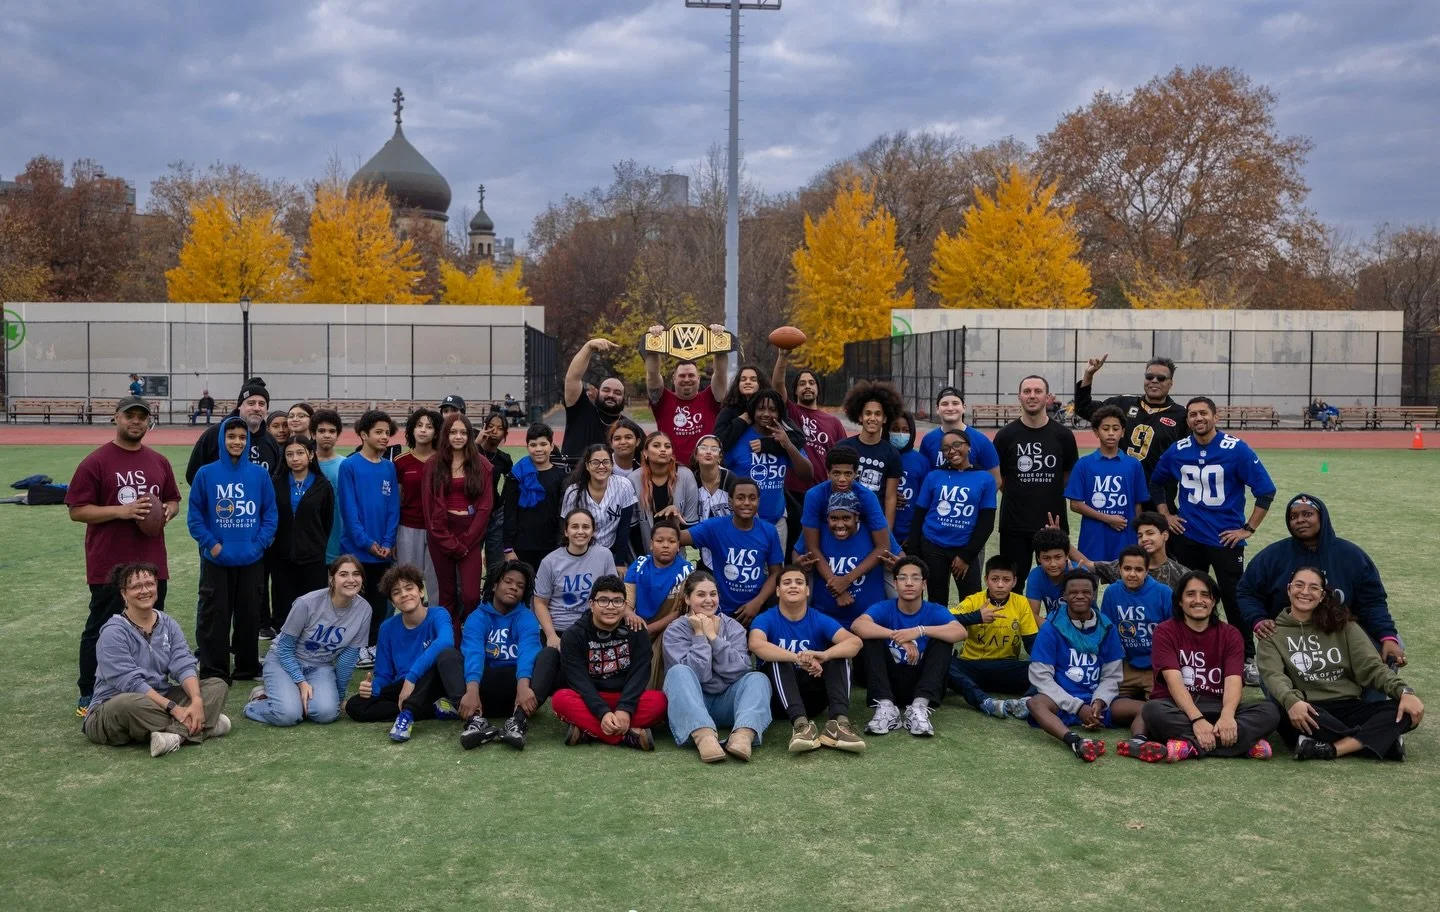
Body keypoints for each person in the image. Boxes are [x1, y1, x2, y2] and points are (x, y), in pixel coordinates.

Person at [67, 395, 182, 717]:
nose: (136, 421)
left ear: (149, 421)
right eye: (129, 416)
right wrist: (123, 510)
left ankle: (152, 684)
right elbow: (77, 510)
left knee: (153, 628)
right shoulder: (97, 461)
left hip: (151, 561)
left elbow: (173, 498)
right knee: (102, 628)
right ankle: (89, 690)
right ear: (116, 418)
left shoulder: (158, 461)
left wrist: (167, 511)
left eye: (141, 417)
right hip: (110, 564)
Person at [1149, 396, 1276, 680]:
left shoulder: (1236, 449)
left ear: (1215, 417)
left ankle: (1247, 658)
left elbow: (1265, 491)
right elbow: (1156, 483)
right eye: (1193, 414)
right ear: (1188, 420)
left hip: (1225, 539)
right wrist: (1167, 516)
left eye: (1203, 413)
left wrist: (1248, 529)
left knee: (1234, 598)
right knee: (1185, 596)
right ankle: (1187, 652)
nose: (1198, 418)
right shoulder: (1178, 450)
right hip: (1188, 536)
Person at [1256, 567, 1423, 761]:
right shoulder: (1272, 633)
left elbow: (1373, 667)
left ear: (1321, 595)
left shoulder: (1344, 626)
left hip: (1349, 706)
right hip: (1308, 708)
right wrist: (1292, 701)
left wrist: (1404, 691)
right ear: (1288, 590)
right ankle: (1378, 740)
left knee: (1405, 711)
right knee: (1282, 714)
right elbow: (1274, 676)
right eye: (1299, 585)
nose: (1305, 592)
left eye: (1313, 587)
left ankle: (1329, 749)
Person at [1120, 571, 1281, 762]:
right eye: (1190, 594)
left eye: (1205, 595)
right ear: (1180, 601)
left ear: (1214, 602)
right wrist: (1197, 720)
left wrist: (1228, 716)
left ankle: (1189, 746)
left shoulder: (1230, 634)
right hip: (1179, 707)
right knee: (1152, 711)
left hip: (1219, 705)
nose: (1198, 600)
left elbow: (1233, 680)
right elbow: (1174, 683)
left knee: (1269, 711)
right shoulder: (1165, 632)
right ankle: (1242, 745)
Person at [83, 562, 230, 757]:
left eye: (149, 584)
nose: (144, 591)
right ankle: (205, 725)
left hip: (160, 698)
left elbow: (183, 664)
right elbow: (131, 684)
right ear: (123, 594)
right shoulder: (113, 633)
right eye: (136, 587)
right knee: (127, 703)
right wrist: (174, 709)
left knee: (217, 686)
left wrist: (195, 700)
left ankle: (175, 736)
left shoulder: (168, 623)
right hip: (115, 708)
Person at [1238, 493, 1404, 666]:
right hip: (1291, 638)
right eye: (1293, 517)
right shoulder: (1272, 557)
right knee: (1275, 683)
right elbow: (1247, 592)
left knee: (1392, 643)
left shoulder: (1352, 556)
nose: (1299, 520)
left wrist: (1387, 636)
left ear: (1322, 517)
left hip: (1341, 635)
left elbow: (1372, 602)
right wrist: (1258, 619)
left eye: (1307, 514)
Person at [187, 415, 278, 682]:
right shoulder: (206, 473)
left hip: (251, 558)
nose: (237, 442)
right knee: (214, 615)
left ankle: (247, 667)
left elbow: (270, 514)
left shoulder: (259, 474)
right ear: (222, 439)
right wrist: (213, 546)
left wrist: (259, 545)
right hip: (217, 559)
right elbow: (195, 517)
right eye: (231, 437)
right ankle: (214, 669)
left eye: (241, 437)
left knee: (249, 616)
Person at [1024, 569, 1138, 762]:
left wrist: (1099, 701)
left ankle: (1138, 742)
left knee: (1146, 709)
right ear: (1064, 596)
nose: (1080, 596)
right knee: (1035, 703)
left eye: (1086, 592)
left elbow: (1112, 675)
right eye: (1073, 592)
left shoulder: (1107, 626)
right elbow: (1040, 676)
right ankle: (1075, 741)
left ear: (1094, 595)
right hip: (1062, 702)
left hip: (1098, 702)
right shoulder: (1051, 627)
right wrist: (1077, 707)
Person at [749, 566, 865, 753]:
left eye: (799, 582)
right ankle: (801, 727)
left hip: (814, 697)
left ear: (807, 590)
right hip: (778, 701)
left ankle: (839, 724)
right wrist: (796, 658)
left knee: (839, 654)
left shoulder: (818, 618)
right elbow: (756, 644)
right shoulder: (766, 618)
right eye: (787, 583)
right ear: (778, 591)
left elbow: (855, 642)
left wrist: (824, 655)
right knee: (778, 659)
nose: (793, 586)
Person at [244, 556, 371, 727]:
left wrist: (338, 698)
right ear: (332, 579)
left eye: (356, 574)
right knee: (288, 715)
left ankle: (288, 696)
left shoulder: (364, 610)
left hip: (320, 666)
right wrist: (301, 682)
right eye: (343, 574)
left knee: (326, 713)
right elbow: (284, 648)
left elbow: (347, 659)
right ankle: (259, 702)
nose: (351, 580)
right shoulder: (307, 603)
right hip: (284, 661)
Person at [343, 564, 464, 742]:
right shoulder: (387, 628)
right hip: (403, 688)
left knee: (441, 657)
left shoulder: (438, 614)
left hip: (432, 682)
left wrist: (412, 677)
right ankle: (431, 710)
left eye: (409, 588)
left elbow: (446, 642)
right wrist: (372, 689)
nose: (404, 594)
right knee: (355, 705)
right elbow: (384, 674)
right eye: (397, 592)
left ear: (421, 592)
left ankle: (408, 713)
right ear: (393, 602)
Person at [662, 571, 773, 762]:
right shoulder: (675, 630)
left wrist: (713, 638)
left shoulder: (733, 627)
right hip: (694, 704)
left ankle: (743, 735)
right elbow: (698, 676)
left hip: (727, 702)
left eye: (713, 594)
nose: (708, 600)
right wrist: (699, 635)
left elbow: (740, 670)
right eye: (701, 595)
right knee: (678, 672)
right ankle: (704, 737)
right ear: (687, 599)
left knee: (758, 679)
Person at [852, 556, 966, 736]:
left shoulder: (934, 610)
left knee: (943, 639)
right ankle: (886, 708)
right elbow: (858, 625)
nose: (909, 583)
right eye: (903, 578)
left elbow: (960, 632)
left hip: (920, 683)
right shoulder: (884, 607)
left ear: (924, 584)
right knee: (869, 637)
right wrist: (897, 636)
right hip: (889, 682)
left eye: (915, 578)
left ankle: (919, 709)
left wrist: (920, 631)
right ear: (895, 584)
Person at [553, 575, 668, 750]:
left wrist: (625, 708)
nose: (610, 607)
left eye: (617, 601)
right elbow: (579, 681)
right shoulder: (573, 635)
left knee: (660, 701)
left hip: (627, 697)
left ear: (625, 605)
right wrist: (602, 712)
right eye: (603, 601)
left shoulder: (637, 631)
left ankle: (587, 731)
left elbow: (640, 673)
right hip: (591, 699)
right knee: (560, 700)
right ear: (591, 604)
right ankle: (627, 736)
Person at [458, 561, 552, 750]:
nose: (513, 588)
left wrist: (524, 686)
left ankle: (517, 722)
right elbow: (474, 653)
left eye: (520, 586)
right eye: (508, 582)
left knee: (549, 654)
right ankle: (475, 721)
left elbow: (528, 652)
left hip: (519, 695)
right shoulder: (478, 617)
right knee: (448, 656)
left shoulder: (526, 618)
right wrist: (472, 691)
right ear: (494, 585)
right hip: (480, 694)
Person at [994, 375, 1079, 579]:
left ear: (1048, 397)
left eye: (1038, 391)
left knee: (1058, 583)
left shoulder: (1064, 436)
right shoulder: (1005, 436)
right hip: (1014, 526)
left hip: (1053, 525)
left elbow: (1068, 476)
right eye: (1027, 391)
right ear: (1019, 397)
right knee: (1012, 585)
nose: (1032, 396)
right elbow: (1000, 478)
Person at [906, 429, 998, 606]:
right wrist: (914, 550)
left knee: (971, 601)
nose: (952, 451)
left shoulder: (985, 479)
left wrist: (966, 555)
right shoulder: (934, 476)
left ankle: (967, 634)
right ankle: (937, 634)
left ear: (969, 447)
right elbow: (920, 514)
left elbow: (986, 523)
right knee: (936, 598)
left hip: (964, 547)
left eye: (957, 445)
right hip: (933, 546)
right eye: (946, 448)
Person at [1073, 354, 1188, 496]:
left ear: (1171, 383)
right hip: (1120, 491)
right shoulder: (1123, 404)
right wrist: (1089, 375)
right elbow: (1084, 408)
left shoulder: (1181, 415)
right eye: (1149, 377)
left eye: (1161, 378)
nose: (1154, 381)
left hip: (1159, 497)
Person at [338, 409, 401, 666]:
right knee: (354, 602)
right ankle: (352, 648)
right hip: (358, 550)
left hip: (383, 551)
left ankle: (372, 647)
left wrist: (387, 542)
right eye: (378, 432)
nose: (384, 437)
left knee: (379, 602)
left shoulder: (389, 467)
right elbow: (349, 512)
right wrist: (367, 543)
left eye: (387, 432)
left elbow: (393, 509)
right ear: (363, 434)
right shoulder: (349, 465)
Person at [422, 413, 494, 637]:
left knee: (471, 595)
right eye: (453, 432)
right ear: (445, 435)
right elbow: (429, 507)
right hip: (441, 534)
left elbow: (484, 507)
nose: (458, 436)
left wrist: (465, 542)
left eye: (463, 432)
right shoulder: (434, 464)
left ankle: (474, 638)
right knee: (447, 594)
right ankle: (450, 643)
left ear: (470, 436)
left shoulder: (481, 465)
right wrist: (446, 540)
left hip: (469, 534)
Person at [947, 555, 1038, 719]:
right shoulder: (974, 601)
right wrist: (977, 617)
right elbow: (943, 620)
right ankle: (985, 702)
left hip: (1006, 667)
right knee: (943, 663)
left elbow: (1032, 643)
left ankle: (1026, 702)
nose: (1000, 585)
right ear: (986, 580)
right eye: (995, 579)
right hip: (972, 667)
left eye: (1006, 579)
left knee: (1044, 668)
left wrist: (1044, 665)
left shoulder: (1021, 603)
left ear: (1014, 581)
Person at [773, 352, 847, 553]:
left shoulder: (833, 422)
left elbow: (842, 460)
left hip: (823, 492)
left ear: (817, 389)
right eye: (802, 383)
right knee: (793, 548)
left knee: (820, 546)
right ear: (795, 390)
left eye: (811, 382)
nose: (807, 386)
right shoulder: (792, 413)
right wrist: (783, 356)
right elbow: (778, 386)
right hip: (792, 491)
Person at [681, 478, 783, 622]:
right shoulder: (714, 527)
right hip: (720, 611)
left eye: (752, 498)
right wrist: (672, 520)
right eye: (740, 498)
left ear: (758, 502)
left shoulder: (769, 531)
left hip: (756, 610)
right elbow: (677, 538)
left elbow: (776, 573)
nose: (746, 503)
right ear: (730, 502)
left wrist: (758, 602)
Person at [722, 388, 814, 542]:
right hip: (741, 522)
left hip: (776, 523)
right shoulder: (739, 438)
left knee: (776, 566)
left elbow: (807, 474)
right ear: (752, 410)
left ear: (780, 413)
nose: (766, 414)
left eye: (772, 410)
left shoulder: (784, 437)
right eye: (760, 409)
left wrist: (787, 445)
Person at [1063, 405, 1149, 563]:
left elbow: (1137, 506)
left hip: (1125, 538)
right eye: (1105, 428)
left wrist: (1139, 534)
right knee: (1089, 583)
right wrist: (1107, 518)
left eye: (1115, 428)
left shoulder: (1133, 465)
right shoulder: (1084, 464)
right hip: (1094, 539)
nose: (1111, 433)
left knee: (1126, 582)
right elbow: (1075, 505)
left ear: (1122, 432)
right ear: (1096, 432)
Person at [266, 435, 334, 635]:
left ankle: (310, 649)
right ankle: (282, 646)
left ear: (310, 455)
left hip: (312, 557)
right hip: (281, 556)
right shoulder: (275, 483)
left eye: (299, 453)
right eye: (289, 454)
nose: (294, 458)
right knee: (283, 605)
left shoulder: (323, 485)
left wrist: (314, 543)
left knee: (313, 605)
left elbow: (326, 521)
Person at [645, 322, 732, 465]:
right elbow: (653, 375)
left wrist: (719, 343)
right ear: (674, 379)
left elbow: (721, 374)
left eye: (691, 375)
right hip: (671, 471)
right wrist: (654, 343)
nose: (687, 379)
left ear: (698, 378)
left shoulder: (710, 398)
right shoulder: (663, 400)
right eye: (682, 376)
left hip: (703, 471)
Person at [798, 490, 886, 628]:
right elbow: (797, 553)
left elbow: (896, 554)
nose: (839, 525)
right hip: (825, 618)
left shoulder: (872, 530)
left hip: (869, 619)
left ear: (856, 517)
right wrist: (800, 564)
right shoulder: (817, 532)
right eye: (834, 519)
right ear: (827, 518)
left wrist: (846, 581)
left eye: (846, 518)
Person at [534, 509, 619, 648]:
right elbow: (539, 603)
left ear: (592, 532)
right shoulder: (549, 562)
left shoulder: (604, 555)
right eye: (574, 527)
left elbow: (613, 594)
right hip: (558, 629)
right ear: (566, 532)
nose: (580, 531)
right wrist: (551, 636)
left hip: (593, 628)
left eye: (586, 527)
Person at [1098, 545, 1173, 703]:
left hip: (1156, 667)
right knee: (1108, 705)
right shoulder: (1112, 592)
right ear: (1119, 569)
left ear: (1147, 571)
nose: (1132, 574)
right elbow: (1107, 632)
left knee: (1160, 709)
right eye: (1127, 568)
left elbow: (1175, 634)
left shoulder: (1164, 593)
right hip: (1125, 667)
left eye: (1138, 570)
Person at [185, 377, 280, 483]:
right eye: (251, 403)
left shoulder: (271, 442)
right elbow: (193, 476)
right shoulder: (214, 435)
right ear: (239, 406)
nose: (257, 408)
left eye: (262, 404)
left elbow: (274, 483)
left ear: (266, 409)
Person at [562, 443, 637, 572]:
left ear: (612, 464)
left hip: (612, 550)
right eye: (595, 462)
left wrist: (619, 562)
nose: (601, 466)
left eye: (606, 462)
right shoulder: (573, 492)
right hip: (582, 550)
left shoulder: (624, 486)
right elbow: (566, 528)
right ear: (587, 465)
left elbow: (624, 527)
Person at [839, 379, 905, 528]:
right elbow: (831, 486)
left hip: (874, 522)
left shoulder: (892, 454)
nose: (872, 418)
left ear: (885, 418)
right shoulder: (843, 447)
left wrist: (886, 532)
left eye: (878, 414)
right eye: (868, 413)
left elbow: (890, 498)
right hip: (843, 519)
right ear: (860, 417)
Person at [503, 423, 567, 571]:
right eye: (533, 445)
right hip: (522, 546)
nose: (538, 449)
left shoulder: (561, 477)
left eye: (543, 444)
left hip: (552, 545)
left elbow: (562, 514)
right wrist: (508, 548)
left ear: (551, 446)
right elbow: (509, 512)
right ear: (527, 447)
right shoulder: (516, 476)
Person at [393, 407, 441, 602]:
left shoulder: (444, 461)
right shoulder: (400, 462)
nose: (423, 430)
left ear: (436, 432)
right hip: (408, 528)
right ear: (412, 430)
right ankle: (411, 622)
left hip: (437, 530)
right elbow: (395, 501)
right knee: (409, 581)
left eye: (429, 426)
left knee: (437, 583)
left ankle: (438, 623)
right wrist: (393, 537)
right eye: (419, 425)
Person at [1078, 510, 1190, 590]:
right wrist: (1061, 540)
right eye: (1140, 536)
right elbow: (1088, 564)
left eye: (1150, 533)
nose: (1144, 539)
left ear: (1165, 535)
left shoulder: (1182, 575)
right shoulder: (1123, 567)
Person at [628, 431, 700, 548]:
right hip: (643, 554)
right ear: (645, 452)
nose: (663, 450)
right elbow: (632, 528)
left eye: (667, 446)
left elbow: (692, 525)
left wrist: (677, 519)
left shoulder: (686, 476)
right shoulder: (633, 479)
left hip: (676, 552)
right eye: (656, 446)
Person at [917, 387, 1001, 486]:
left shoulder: (981, 440)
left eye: (955, 403)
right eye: (944, 404)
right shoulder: (928, 440)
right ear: (937, 409)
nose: (950, 408)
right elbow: (923, 476)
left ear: (964, 408)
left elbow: (995, 480)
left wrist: (979, 500)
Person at [626, 518, 694, 638]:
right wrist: (631, 616)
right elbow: (627, 602)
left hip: (673, 630)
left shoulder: (687, 571)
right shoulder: (639, 565)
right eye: (659, 541)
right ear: (651, 544)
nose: (665, 545)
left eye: (672, 541)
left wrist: (650, 629)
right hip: (638, 626)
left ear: (679, 546)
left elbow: (681, 611)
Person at [561, 337, 628, 459]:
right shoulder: (580, 410)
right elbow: (572, 378)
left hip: (608, 477)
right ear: (597, 392)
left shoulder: (629, 428)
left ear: (624, 398)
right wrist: (588, 347)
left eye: (617, 392)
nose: (611, 395)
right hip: (572, 475)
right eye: (606, 390)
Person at [477, 413, 513, 587]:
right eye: (491, 426)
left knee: (496, 562)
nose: (495, 431)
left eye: (500, 428)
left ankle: (491, 596)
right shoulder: (472, 451)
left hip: (495, 514)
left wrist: (503, 502)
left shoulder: (504, 459)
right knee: (470, 559)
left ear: (505, 433)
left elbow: (510, 483)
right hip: (473, 513)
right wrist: (477, 442)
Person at [890, 412, 931, 554]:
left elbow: (927, 502)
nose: (900, 434)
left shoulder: (921, 461)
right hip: (881, 533)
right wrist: (889, 494)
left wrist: (915, 534)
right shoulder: (881, 456)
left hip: (910, 535)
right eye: (895, 429)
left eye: (905, 430)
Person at [312, 408, 346, 564]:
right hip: (314, 544)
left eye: (332, 431)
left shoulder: (346, 465)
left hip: (340, 543)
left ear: (338, 435)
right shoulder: (305, 465)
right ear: (313, 434)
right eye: (322, 431)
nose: (327, 435)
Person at [1024, 527, 1076, 622]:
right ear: (1039, 559)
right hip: (1052, 627)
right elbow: (1032, 616)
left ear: (1067, 555)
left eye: (1058, 557)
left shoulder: (1080, 573)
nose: (1053, 564)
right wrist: (1053, 632)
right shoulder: (1036, 576)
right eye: (1047, 558)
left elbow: (1088, 615)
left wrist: (1075, 583)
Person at [689, 434, 736, 526]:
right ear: (696, 455)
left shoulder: (730, 479)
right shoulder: (690, 480)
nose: (708, 452)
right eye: (703, 448)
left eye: (714, 449)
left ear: (720, 457)